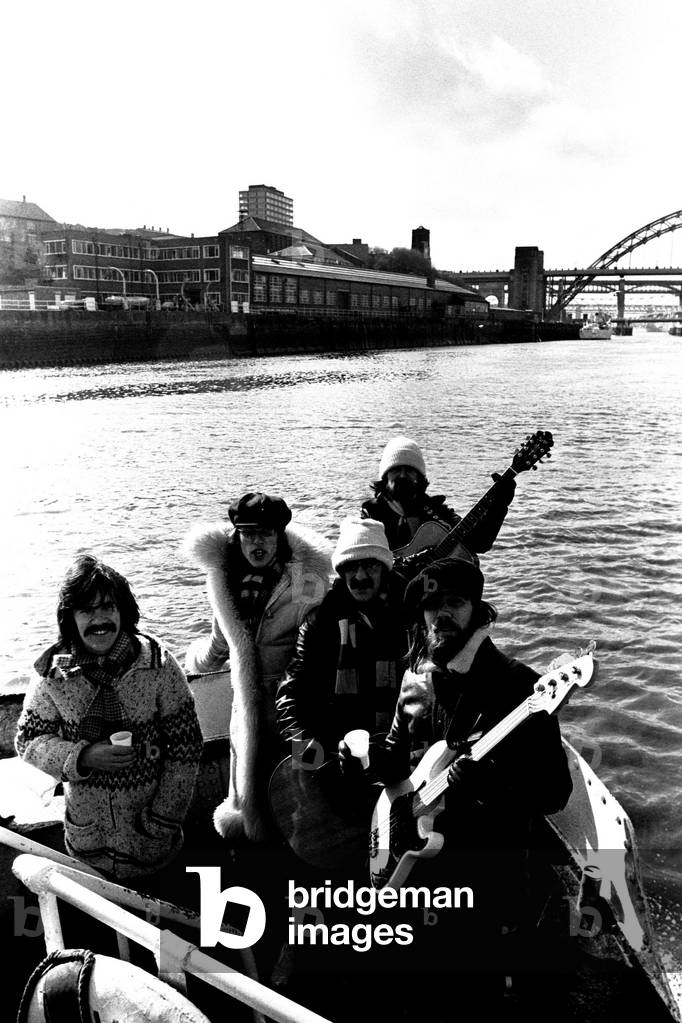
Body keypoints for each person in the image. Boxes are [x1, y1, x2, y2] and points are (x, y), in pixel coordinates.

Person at [365, 557, 573, 1014]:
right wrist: (372, 762)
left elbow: (556, 794)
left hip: (488, 874)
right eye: (431, 604)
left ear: (477, 608)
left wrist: (492, 783)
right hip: (415, 864)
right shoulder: (415, 678)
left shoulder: (521, 687)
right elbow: (401, 764)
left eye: (455, 602)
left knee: (476, 997)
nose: (442, 614)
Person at [15, 554, 203, 882]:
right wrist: (83, 756)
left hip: (155, 842)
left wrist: (162, 819)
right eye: (86, 610)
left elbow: (186, 746)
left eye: (108, 607)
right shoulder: (53, 674)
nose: (99, 619)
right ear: (69, 617)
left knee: (164, 925)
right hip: (87, 844)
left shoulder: (157, 665)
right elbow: (28, 740)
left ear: (123, 612)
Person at [183, 492, 332, 842]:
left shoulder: (307, 582)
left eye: (266, 533)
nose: (257, 542)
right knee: (249, 804)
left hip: (294, 710)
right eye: (249, 534)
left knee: (297, 802)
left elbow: (317, 649)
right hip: (245, 715)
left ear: (280, 535)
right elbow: (222, 643)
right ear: (237, 536)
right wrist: (190, 663)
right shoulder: (226, 582)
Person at [276, 517, 408, 760]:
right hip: (335, 752)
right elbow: (290, 696)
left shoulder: (410, 620)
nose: (359, 576)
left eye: (370, 565)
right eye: (350, 567)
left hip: (396, 751)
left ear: (385, 570)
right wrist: (304, 750)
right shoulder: (320, 623)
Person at [360, 434, 515, 557]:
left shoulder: (435, 510)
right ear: (385, 477)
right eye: (396, 470)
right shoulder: (372, 513)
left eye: (409, 470)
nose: (402, 475)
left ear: (418, 477)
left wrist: (499, 506)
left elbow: (478, 543)